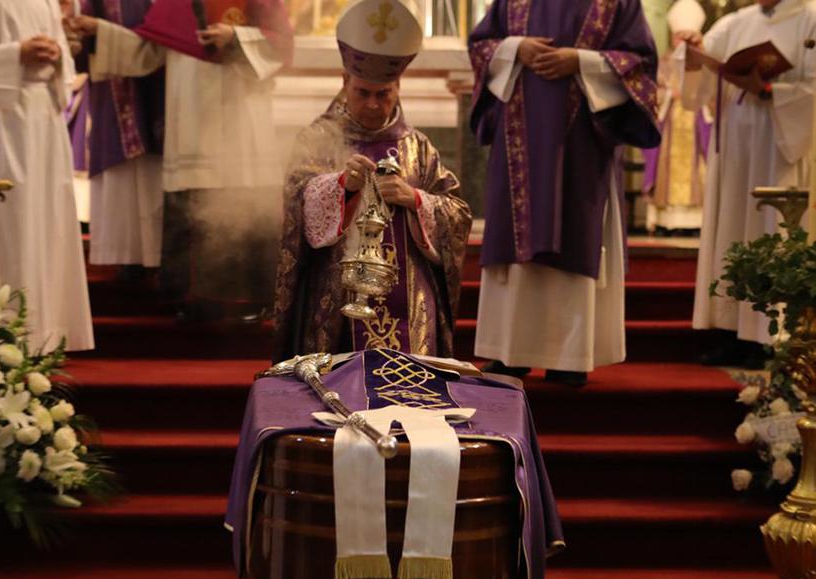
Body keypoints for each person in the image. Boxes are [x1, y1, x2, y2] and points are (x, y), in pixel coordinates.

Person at [469, 0, 661, 386]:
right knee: (516, 235)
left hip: (583, 142)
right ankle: (511, 351)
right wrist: (515, 49)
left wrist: (581, 62)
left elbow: (640, 62)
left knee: (576, 230)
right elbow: (481, 46)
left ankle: (570, 356)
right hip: (519, 139)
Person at [273, 0, 472, 361]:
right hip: (337, 301)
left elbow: (458, 213)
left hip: (410, 302)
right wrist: (341, 187)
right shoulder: (317, 139)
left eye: (383, 94)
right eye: (362, 93)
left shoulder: (418, 147)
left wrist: (415, 199)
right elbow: (294, 204)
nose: (372, 105)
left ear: (398, 87)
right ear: (345, 82)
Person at [71, 0, 292, 321]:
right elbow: (147, 52)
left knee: (241, 203)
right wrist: (99, 33)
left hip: (241, 117)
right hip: (189, 121)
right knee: (193, 208)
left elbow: (282, 45)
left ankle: (250, 301)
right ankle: (191, 300)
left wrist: (235, 38)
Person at [0, 0, 94, 353]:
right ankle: (2, 331)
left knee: (48, 220)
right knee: (7, 218)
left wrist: (57, 55)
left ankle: (49, 329)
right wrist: (16, 54)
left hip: (45, 119)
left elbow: (63, 55)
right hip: (1, 120)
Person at [678, 0, 816, 367]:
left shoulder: (811, 19)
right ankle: (731, 332)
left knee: (772, 231)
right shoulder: (735, 22)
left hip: (780, 147)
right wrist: (692, 53)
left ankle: (770, 337)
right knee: (733, 230)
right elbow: (699, 76)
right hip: (736, 149)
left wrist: (767, 91)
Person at [74, 0, 165, 274]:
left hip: (158, 93)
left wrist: (100, 30)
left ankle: (157, 260)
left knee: (154, 177)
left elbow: (165, 39)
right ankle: (127, 260)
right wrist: (80, 32)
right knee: (123, 180)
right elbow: (78, 48)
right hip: (112, 99)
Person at [642, 0, 711, 235]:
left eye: (685, 37)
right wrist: (670, 94)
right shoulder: (663, 62)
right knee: (666, 167)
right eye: (677, 36)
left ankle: (695, 222)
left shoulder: (703, 63)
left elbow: (712, 93)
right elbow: (651, 91)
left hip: (696, 122)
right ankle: (667, 221)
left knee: (698, 168)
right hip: (670, 121)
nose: (680, 42)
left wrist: (696, 94)